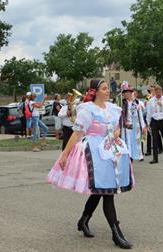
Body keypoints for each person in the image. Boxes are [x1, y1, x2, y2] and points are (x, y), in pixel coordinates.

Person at [47, 80, 133, 249]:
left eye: (108, 88)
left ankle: (84, 220)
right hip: (95, 153)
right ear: (95, 91)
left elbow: (116, 128)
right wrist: (64, 155)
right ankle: (116, 234)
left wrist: (115, 133)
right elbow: (77, 133)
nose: (108, 91)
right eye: (104, 88)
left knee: (101, 190)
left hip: (110, 152)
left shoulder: (113, 109)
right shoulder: (87, 109)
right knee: (108, 192)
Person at [120, 81, 147, 161]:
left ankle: (134, 157)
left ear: (131, 93)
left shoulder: (136, 103)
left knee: (135, 143)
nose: (125, 94)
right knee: (127, 143)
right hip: (125, 127)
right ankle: (128, 160)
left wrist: (143, 126)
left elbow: (140, 116)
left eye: (127, 92)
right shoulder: (121, 103)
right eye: (124, 93)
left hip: (135, 126)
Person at [146, 85, 163, 163]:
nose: (158, 93)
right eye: (156, 92)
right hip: (154, 121)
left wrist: (162, 105)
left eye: (159, 92)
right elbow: (149, 112)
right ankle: (155, 158)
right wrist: (148, 123)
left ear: (161, 92)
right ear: (155, 92)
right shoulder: (151, 101)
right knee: (154, 140)